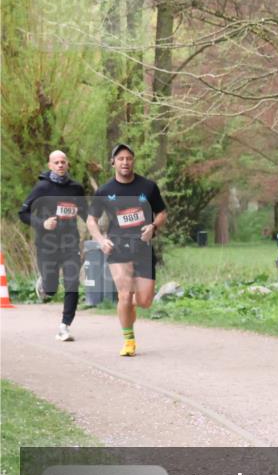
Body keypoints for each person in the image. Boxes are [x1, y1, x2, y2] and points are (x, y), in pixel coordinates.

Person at [86, 143, 167, 357]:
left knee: (144, 301)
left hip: (143, 247)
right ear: (113, 162)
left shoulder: (148, 186)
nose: (125, 162)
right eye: (120, 158)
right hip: (118, 249)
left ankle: (130, 304)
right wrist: (101, 240)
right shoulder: (104, 191)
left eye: (129, 158)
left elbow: (161, 212)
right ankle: (128, 340)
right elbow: (91, 219)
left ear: (133, 161)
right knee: (124, 295)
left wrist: (154, 226)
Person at [18, 150, 88, 341]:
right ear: (50, 166)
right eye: (56, 162)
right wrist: (43, 224)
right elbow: (22, 213)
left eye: (63, 162)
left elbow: (86, 214)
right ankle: (44, 284)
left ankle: (64, 326)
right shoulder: (42, 188)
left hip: (70, 244)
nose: (60, 165)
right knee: (51, 289)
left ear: (68, 164)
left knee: (72, 283)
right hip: (46, 245)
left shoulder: (76, 189)